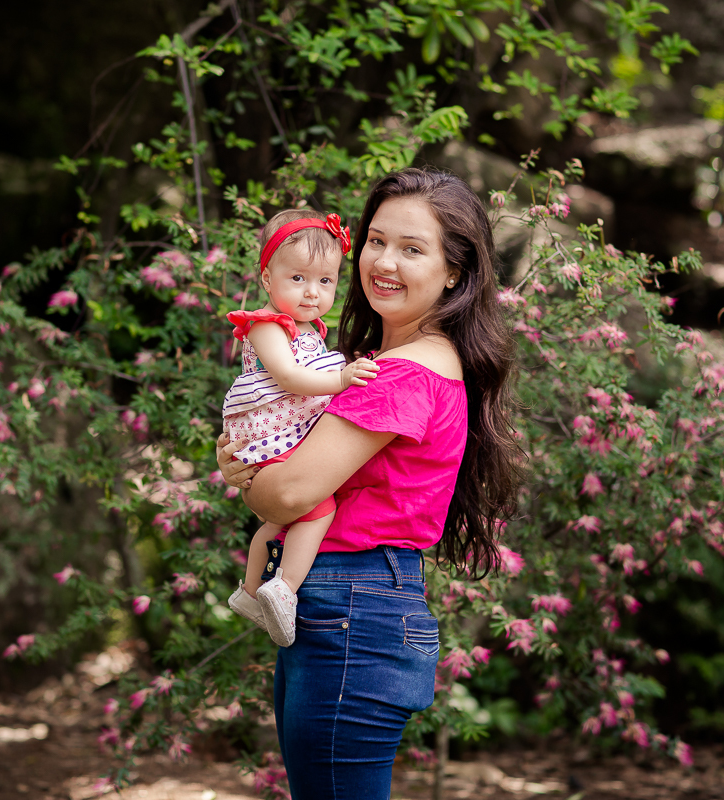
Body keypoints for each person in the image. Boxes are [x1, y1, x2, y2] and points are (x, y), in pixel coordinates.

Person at [217, 168, 524, 799]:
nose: (384, 262)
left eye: (413, 249)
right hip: (342, 604)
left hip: (352, 607)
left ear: (455, 272)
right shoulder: (374, 364)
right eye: (376, 241)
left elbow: (290, 494)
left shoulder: (407, 373)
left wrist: (244, 477)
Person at [224, 208, 380, 647]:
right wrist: (343, 379)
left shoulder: (310, 327)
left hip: (288, 432)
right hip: (269, 430)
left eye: (325, 281)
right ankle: (283, 588)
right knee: (320, 508)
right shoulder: (266, 325)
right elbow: (291, 379)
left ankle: (251, 591)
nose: (313, 292)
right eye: (298, 279)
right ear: (267, 278)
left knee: (277, 526)